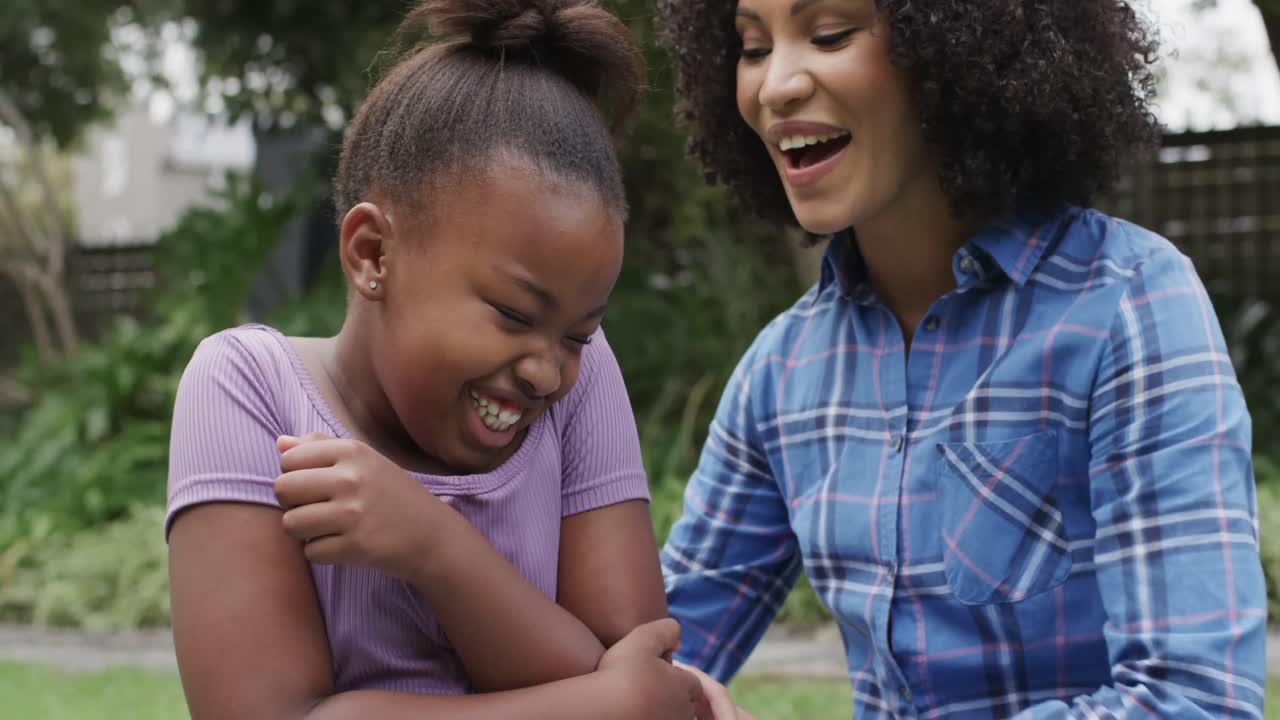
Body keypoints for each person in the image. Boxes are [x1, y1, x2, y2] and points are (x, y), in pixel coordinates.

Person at [655, 0, 1268, 718]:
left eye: (829, 35)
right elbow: (664, 653)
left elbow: (1193, 701)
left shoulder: (1127, 307)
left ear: (955, 45)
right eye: (752, 47)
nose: (775, 86)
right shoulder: (781, 372)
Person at [165, 1, 708, 718]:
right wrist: (600, 701)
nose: (548, 371)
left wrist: (436, 550)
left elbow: (642, 679)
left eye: (576, 334)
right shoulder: (248, 390)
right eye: (513, 315)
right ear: (373, 254)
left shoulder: (582, 377)